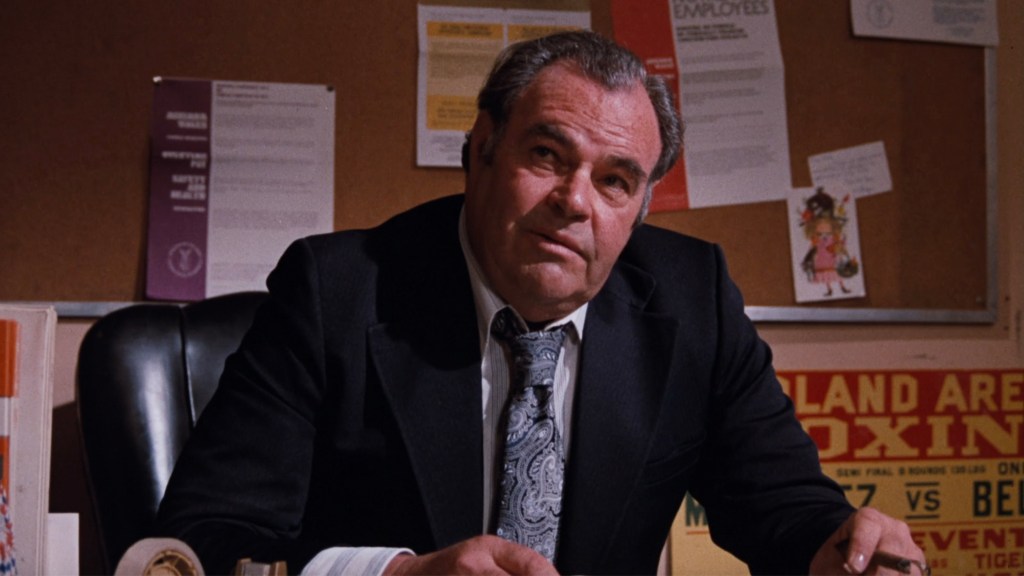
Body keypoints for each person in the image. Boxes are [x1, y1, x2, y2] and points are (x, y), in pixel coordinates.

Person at [155, 30, 925, 575]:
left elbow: (782, 505)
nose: (575, 201)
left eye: (616, 180)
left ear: (641, 209)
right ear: (481, 149)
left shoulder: (695, 302)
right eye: (547, 155)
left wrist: (840, 547)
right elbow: (198, 542)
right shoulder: (338, 290)